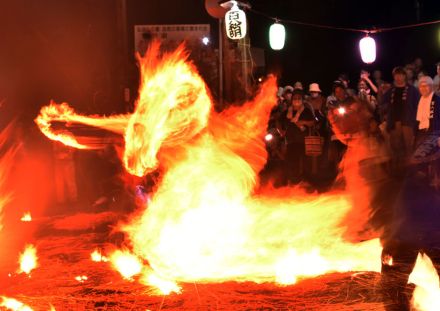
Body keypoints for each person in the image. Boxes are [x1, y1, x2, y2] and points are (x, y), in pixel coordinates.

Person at [380, 76, 440, 311]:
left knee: (392, 288)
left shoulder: (412, 177)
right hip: (411, 236)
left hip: (417, 235)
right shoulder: (413, 179)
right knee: (392, 287)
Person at [381, 66, 420, 174]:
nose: (398, 77)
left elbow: (418, 105)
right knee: (396, 146)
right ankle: (398, 170)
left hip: (408, 122)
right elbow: (382, 102)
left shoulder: (412, 90)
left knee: (409, 146)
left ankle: (411, 171)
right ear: (394, 77)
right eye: (396, 75)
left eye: (400, 75)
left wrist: (416, 121)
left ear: (404, 76)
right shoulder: (391, 90)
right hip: (394, 122)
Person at [281, 88, 316, 184]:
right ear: (292, 100)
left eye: (298, 98)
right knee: (292, 161)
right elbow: (279, 122)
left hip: (303, 140)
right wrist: (281, 131)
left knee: (305, 162)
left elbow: (312, 122)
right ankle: (293, 181)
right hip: (291, 140)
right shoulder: (287, 112)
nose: (296, 100)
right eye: (295, 98)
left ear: (302, 99)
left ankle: (306, 180)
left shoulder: (306, 111)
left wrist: (303, 122)